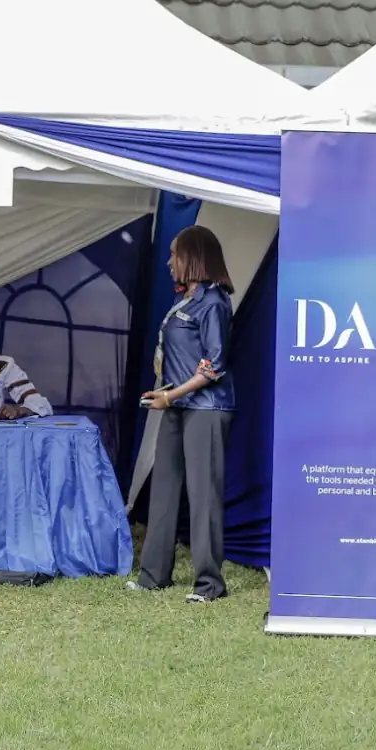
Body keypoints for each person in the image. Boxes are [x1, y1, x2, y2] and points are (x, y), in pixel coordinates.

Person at [128, 225, 235, 603]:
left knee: (203, 495)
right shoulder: (184, 302)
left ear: (193, 258)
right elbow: (184, 360)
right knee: (165, 487)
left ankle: (209, 585)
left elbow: (213, 367)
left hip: (206, 410)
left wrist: (171, 397)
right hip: (176, 404)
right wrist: (165, 392)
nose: (169, 262)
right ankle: (153, 575)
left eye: (174, 254)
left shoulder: (215, 302)